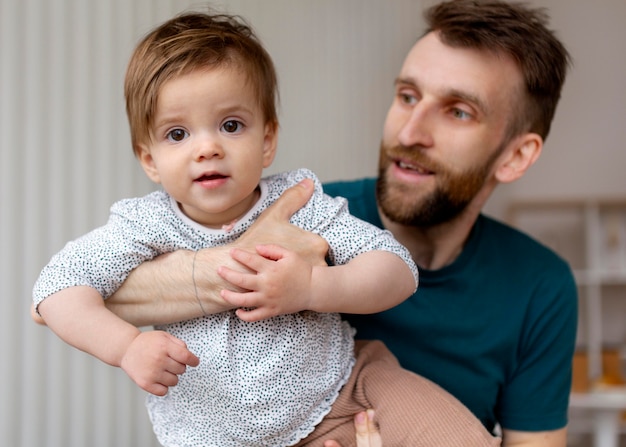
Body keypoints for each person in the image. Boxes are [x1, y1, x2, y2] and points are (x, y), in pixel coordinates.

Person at [53, 0, 579, 445]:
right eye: (407, 96)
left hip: (343, 391)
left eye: (459, 111)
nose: (412, 129)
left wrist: (311, 284)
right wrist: (127, 346)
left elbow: (394, 268)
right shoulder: (149, 224)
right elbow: (61, 292)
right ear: (147, 158)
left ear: (267, 140)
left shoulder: (309, 208)